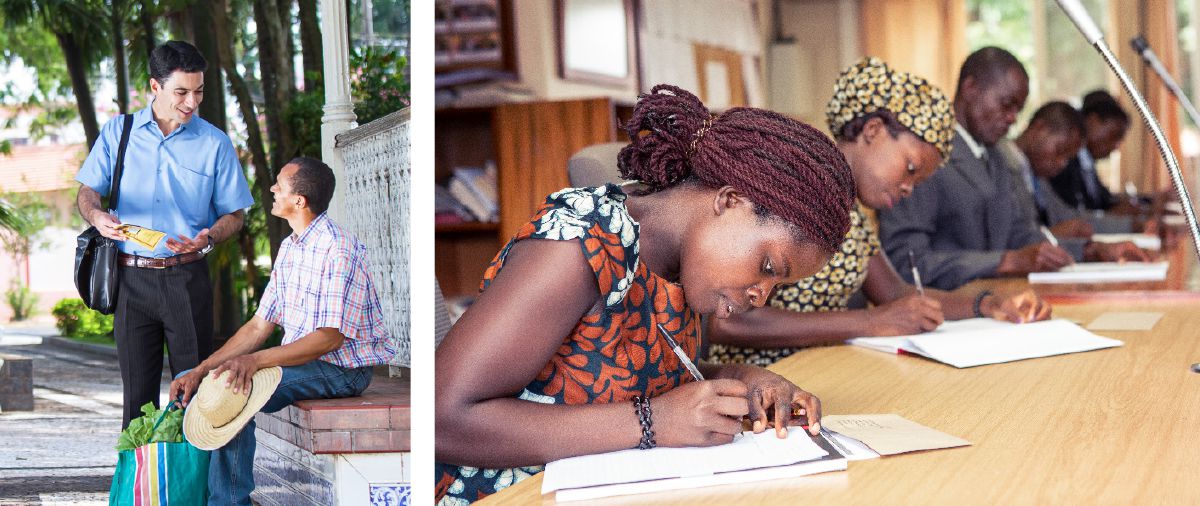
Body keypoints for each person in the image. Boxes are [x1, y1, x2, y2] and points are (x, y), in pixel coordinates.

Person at [434, 85, 857, 504]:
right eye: (768, 268)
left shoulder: (681, 269)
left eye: (776, 286)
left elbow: (635, 376)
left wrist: (743, 380)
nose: (761, 295)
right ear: (731, 201)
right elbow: (443, 418)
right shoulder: (578, 245)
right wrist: (652, 422)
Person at [707, 58, 1051, 367]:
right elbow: (728, 320)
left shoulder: (850, 209)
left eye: (918, 181)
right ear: (872, 131)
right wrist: (869, 322)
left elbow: (896, 294)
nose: (908, 188)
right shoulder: (793, 187)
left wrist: (987, 304)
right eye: (910, 167)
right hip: (761, 383)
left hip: (826, 371)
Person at [169, 157, 395, 505]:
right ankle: (196, 497)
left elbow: (328, 339)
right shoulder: (291, 247)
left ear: (299, 201)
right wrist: (200, 370)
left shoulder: (338, 249)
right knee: (195, 382)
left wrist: (253, 362)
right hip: (305, 363)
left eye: (280, 185)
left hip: (344, 370)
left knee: (234, 390)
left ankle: (228, 503)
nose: (272, 189)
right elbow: (260, 324)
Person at [75, 40, 253, 428]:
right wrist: (96, 215)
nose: (192, 102)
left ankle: (191, 487)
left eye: (199, 91)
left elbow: (235, 215)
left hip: (187, 279)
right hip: (130, 278)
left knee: (194, 398)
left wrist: (208, 236)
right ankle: (137, 487)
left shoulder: (215, 143)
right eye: (182, 92)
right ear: (155, 87)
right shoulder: (118, 133)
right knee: (136, 399)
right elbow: (87, 191)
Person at [878, 47, 1141, 291]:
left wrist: (1088, 251)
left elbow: (1018, 235)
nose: (1014, 119)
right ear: (970, 88)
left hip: (998, 301)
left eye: (1018, 109)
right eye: (1007, 104)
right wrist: (1005, 262)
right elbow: (905, 263)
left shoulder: (996, 156)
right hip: (944, 313)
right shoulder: (924, 153)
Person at [1050, 90, 1131, 211]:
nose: (1116, 146)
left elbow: (1105, 201)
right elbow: (1071, 214)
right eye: (1113, 135)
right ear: (1092, 121)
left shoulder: (1087, 162)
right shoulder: (1065, 163)